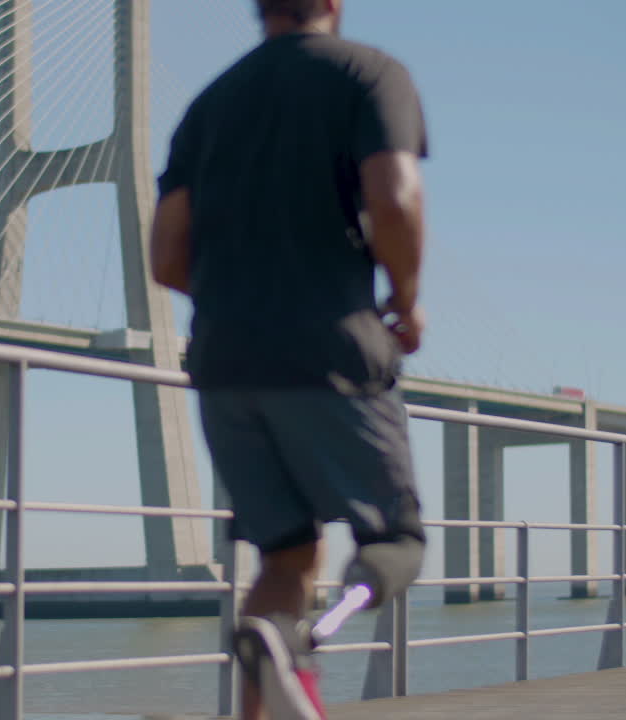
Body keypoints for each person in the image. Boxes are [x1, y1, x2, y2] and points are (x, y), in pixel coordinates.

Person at [149, 0, 429, 717]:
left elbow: (167, 255)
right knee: (394, 541)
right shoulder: (370, 74)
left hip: (225, 362)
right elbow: (395, 200)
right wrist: (405, 296)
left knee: (283, 556)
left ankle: (267, 672)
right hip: (330, 350)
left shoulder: (209, 103)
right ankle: (310, 634)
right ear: (333, 4)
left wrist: (239, 297)